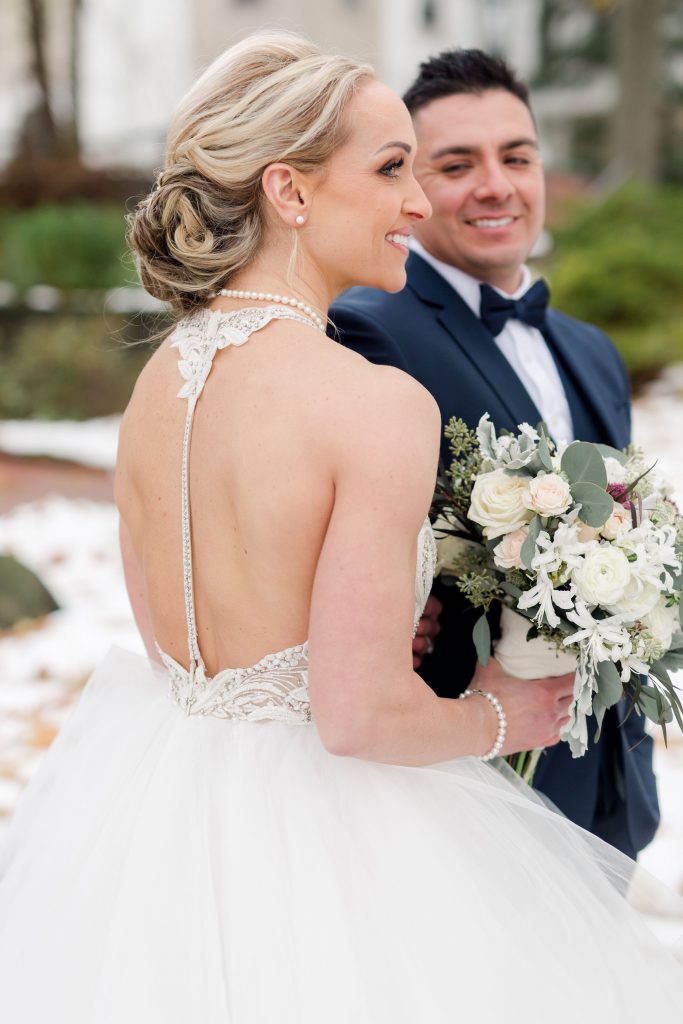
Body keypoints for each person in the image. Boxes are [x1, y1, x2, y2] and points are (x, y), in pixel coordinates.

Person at [0, 32, 681, 1023]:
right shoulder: (373, 403)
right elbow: (358, 716)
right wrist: (502, 713)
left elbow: (173, 650)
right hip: (334, 844)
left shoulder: (157, 384)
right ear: (289, 192)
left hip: (170, 827)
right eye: (393, 167)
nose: (416, 203)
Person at [330, 48, 658, 860]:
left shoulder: (592, 351)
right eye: (455, 163)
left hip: (609, 791)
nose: (496, 185)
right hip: (465, 788)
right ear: (408, 184)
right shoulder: (368, 329)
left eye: (516, 156)